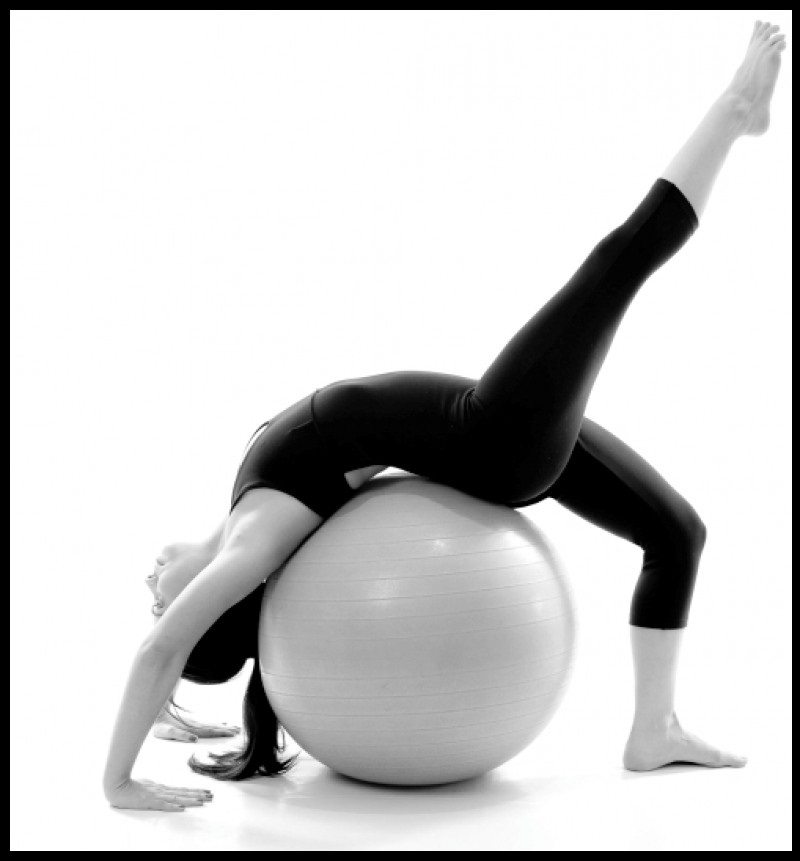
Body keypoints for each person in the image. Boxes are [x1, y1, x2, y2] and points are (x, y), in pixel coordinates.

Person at [104, 22, 786, 812]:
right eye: (161, 599)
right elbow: (162, 649)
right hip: (492, 435)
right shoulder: (254, 539)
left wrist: (174, 707)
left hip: (487, 434)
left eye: (153, 597)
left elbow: (171, 651)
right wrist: (119, 781)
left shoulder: (249, 502)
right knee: (619, 259)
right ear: (212, 605)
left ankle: (654, 728)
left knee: (676, 532)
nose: (151, 582)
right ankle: (736, 110)